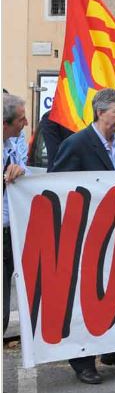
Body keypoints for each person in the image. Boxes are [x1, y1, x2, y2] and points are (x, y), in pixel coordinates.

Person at [52, 88, 115, 385]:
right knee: (86, 299)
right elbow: (58, 186)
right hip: (85, 235)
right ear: (101, 111)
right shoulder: (76, 144)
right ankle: (82, 361)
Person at [3, 93, 28, 336]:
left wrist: (20, 171)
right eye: (21, 119)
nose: (26, 123)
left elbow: (25, 176)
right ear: (5, 123)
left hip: (13, 232)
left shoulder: (13, 146)